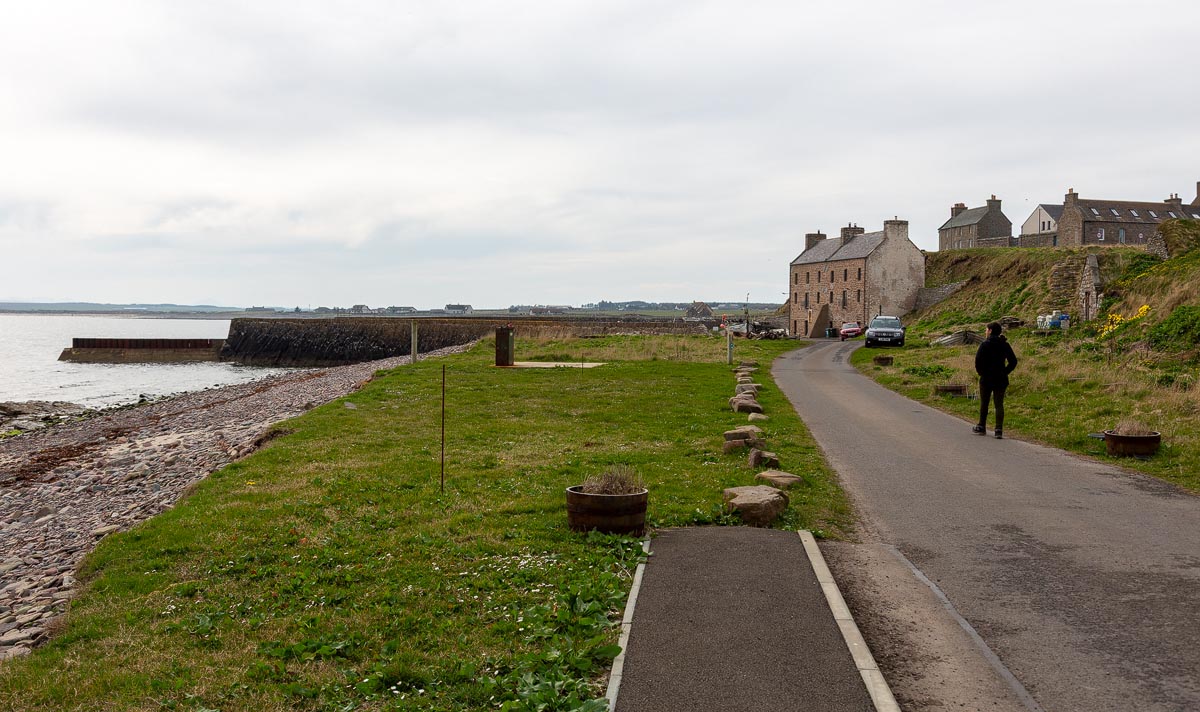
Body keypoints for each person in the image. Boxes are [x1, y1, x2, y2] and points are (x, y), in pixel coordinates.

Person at [973, 322, 1018, 439]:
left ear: (991, 330)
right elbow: (1013, 361)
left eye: (986, 329)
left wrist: (981, 372)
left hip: (986, 378)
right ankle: (998, 430)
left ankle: (981, 425)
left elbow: (978, 360)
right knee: (999, 404)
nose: (985, 331)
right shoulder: (1004, 344)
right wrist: (1005, 372)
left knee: (984, 402)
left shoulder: (984, 344)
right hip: (1000, 378)